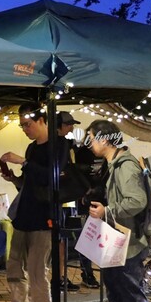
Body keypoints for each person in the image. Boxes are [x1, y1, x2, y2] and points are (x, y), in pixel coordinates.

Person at [85, 120, 151, 302]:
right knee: (115, 284)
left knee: (130, 287)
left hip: (130, 241)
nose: (89, 143)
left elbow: (137, 201)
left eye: (91, 138)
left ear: (104, 139)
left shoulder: (125, 166)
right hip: (115, 238)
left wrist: (107, 211)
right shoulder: (112, 164)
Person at [0, 103, 68, 302]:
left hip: (44, 218)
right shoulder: (31, 148)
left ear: (42, 121)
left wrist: (24, 162)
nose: (25, 129)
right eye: (22, 126)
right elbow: (29, 184)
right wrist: (13, 179)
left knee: (37, 271)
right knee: (14, 265)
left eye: (28, 124)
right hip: (23, 216)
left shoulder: (59, 146)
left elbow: (51, 178)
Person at [57, 111, 100, 290]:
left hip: (96, 197)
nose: (72, 128)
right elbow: (72, 170)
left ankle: (90, 273)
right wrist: (85, 189)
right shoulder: (76, 150)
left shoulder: (75, 147)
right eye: (69, 125)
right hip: (78, 198)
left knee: (95, 236)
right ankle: (84, 273)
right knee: (83, 235)